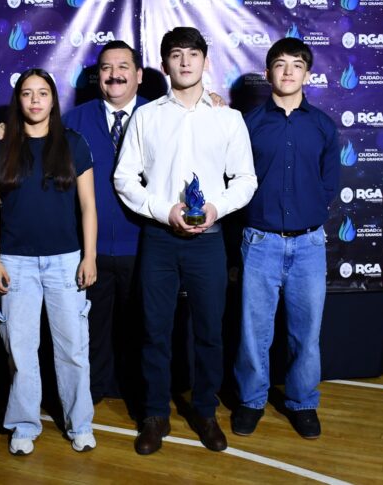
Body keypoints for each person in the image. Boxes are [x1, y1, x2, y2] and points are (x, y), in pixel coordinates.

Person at [114, 27, 257, 455]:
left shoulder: (228, 118)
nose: (185, 62)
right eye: (176, 54)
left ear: (205, 61)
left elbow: (246, 180)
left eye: (193, 54)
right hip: (159, 239)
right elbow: (124, 177)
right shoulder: (147, 116)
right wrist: (164, 210)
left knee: (210, 332)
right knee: (154, 331)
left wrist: (215, 208)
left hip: (209, 241)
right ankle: (154, 414)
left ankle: (206, 412)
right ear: (164, 65)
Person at [0, 68, 98, 456]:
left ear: (53, 100)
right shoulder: (1, 147)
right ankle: (24, 425)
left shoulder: (73, 143)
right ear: (18, 100)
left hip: (66, 262)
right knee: (21, 350)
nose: (35, 100)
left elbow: (88, 206)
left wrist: (89, 256)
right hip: (16, 263)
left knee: (73, 349)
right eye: (27, 93)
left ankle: (80, 424)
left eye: (42, 93)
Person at [231, 38, 340, 440]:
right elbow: (234, 178)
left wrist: (307, 212)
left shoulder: (323, 125)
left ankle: (302, 402)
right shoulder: (249, 124)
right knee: (253, 331)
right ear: (268, 73)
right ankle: (250, 401)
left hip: (309, 245)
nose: (289, 71)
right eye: (280, 64)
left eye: (297, 64)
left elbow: (329, 184)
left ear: (307, 74)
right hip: (260, 242)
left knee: (306, 333)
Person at [62, 41, 147, 404]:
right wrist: (5, 132)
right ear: (98, 76)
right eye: (107, 68)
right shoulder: (73, 121)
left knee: (142, 328)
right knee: (92, 329)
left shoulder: (158, 115)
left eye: (123, 66)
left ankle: (139, 396)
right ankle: (92, 394)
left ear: (138, 75)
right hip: (91, 250)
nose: (115, 74)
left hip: (144, 246)